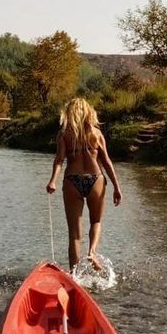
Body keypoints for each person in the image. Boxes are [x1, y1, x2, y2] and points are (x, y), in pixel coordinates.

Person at [46, 97, 122, 271]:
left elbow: (59, 160)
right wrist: (117, 188)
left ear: (69, 113)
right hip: (96, 179)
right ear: (89, 112)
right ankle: (92, 253)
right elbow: (107, 162)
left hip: (72, 180)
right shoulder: (96, 134)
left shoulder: (64, 134)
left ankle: (74, 276)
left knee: (74, 234)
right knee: (96, 221)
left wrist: (53, 181)